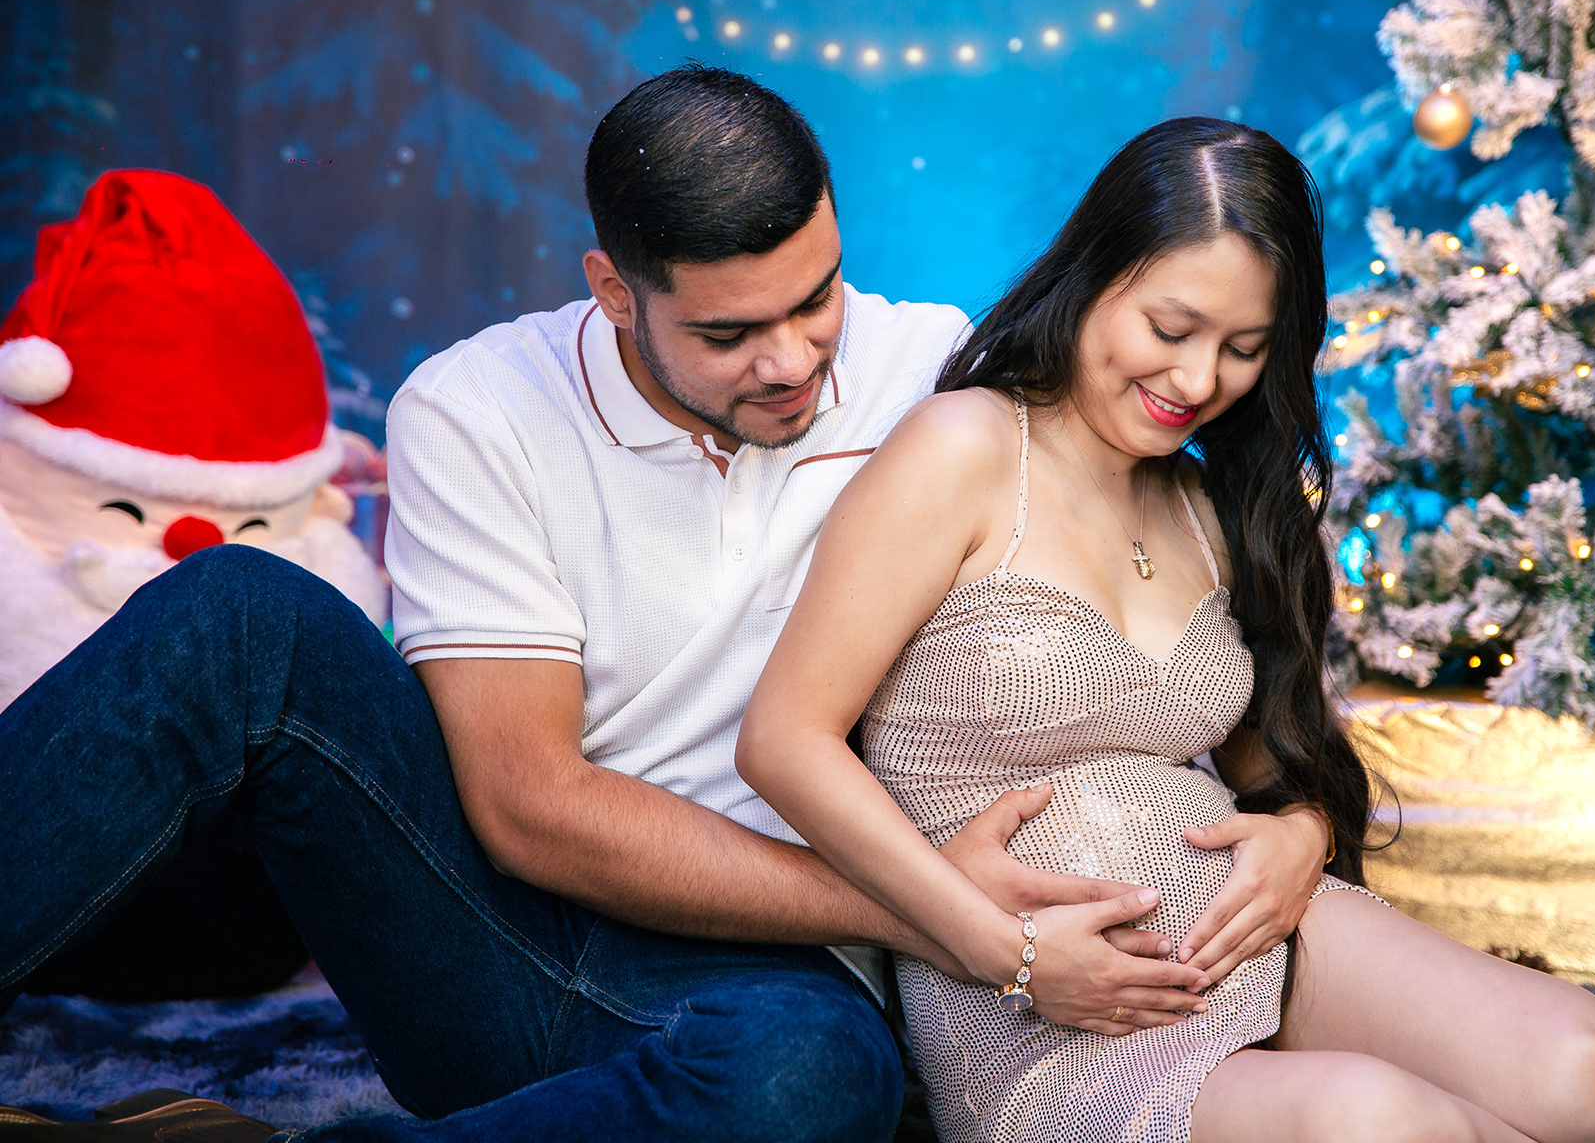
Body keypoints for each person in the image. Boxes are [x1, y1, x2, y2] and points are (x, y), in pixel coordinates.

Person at [0, 66, 1191, 1143]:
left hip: (771, 976)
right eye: (729, 331)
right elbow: (531, 804)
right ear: (615, 291)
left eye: (815, 296)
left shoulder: (932, 374)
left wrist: (1285, 832)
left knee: (810, 1079)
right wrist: (938, 907)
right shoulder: (474, 408)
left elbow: (1169, 523)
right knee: (244, 612)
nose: (791, 359)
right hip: (481, 927)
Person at [734, 117, 1595, 1143]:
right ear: (1094, 274)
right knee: (1380, 1122)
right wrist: (1010, 950)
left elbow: (1268, 760)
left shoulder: (1210, 504)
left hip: (1257, 931)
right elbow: (785, 741)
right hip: (1043, 1009)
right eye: (1170, 325)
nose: (1198, 377)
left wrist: (1301, 833)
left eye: (1244, 348)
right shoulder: (965, 446)